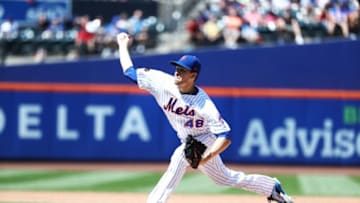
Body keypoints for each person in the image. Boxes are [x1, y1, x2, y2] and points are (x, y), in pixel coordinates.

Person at [116, 32, 293, 203]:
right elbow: (129, 72)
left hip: (204, 139)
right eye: (177, 68)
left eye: (183, 70)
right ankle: (271, 187)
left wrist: (206, 157)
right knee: (225, 178)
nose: (177, 72)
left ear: (193, 76)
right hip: (188, 138)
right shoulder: (161, 82)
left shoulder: (204, 104)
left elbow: (225, 135)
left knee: (178, 159)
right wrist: (122, 45)